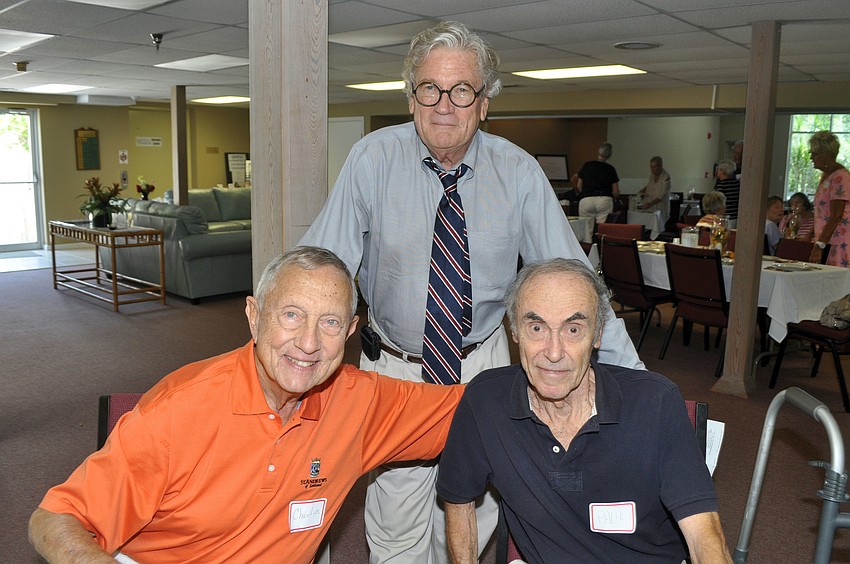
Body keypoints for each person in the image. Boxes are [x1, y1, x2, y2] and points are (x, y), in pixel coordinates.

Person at [299, 20, 643, 564]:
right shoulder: (372, 161)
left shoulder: (519, 173)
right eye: (429, 89)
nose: (443, 105)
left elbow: (579, 287)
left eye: (461, 91)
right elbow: (319, 267)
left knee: (470, 517)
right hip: (396, 369)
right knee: (395, 522)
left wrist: (640, 390)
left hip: (483, 367)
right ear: (411, 98)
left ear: (484, 103)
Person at [29, 246, 465, 564]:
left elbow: (471, 408)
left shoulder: (360, 401)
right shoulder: (179, 410)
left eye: (329, 322)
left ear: (350, 331)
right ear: (254, 316)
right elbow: (54, 519)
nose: (309, 344)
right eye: (291, 315)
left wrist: (535, 356)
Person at [437, 258, 733, 564]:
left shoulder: (655, 402)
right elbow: (458, 501)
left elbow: (703, 534)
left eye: (573, 329)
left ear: (598, 334)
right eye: (536, 327)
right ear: (514, 331)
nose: (553, 352)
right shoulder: (485, 401)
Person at [808, 131, 850, 267]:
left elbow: (836, 216)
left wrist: (820, 245)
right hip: (827, 240)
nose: (811, 158)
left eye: (814, 154)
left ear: (826, 154)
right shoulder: (827, 175)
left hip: (838, 241)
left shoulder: (840, 176)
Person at [577, 142, 620, 224]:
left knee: (586, 228)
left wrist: (585, 193)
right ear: (610, 154)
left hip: (587, 199)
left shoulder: (587, 165)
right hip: (604, 200)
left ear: (598, 152)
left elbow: (579, 185)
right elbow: (616, 191)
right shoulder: (610, 169)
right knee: (602, 228)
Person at [714, 159, 740, 227]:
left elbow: (717, 202)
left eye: (719, 169)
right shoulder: (737, 184)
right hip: (737, 216)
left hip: (725, 217)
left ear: (723, 171)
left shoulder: (721, 185)